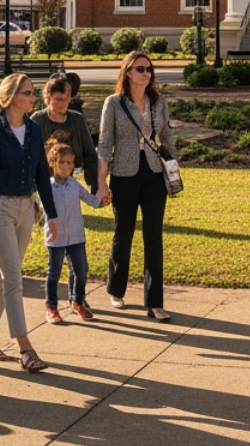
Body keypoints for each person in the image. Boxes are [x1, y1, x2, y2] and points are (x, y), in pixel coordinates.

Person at [0, 73, 60, 371]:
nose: (34, 98)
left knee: (7, 275)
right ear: (10, 97)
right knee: (13, 278)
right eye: (28, 93)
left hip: (26, 209)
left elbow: (41, 176)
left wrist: (52, 215)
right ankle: (25, 348)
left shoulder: (34, 130)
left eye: (33, 93)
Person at [97, 51, 177, 322]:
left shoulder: (159, 102)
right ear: (128, 72)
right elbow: (105, 143)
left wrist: (173, 174)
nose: (146, 74)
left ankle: (155, 303)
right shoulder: (114, 103)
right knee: (124, 233)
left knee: (153, 236)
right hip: (124, 173)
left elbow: (167, 139)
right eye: (141, 69)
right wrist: (101, 183)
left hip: (154, 173)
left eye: (149, 69)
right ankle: (116, 289)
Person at [44, 134, 103, 324]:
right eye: (62, 162)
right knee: (54, 272)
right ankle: (51, 307)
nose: (67, 166)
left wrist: (103, 201)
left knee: (81, 269)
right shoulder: (47, 187)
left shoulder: (74, 185)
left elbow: (90, 199)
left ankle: (77, 301)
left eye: (70, 163)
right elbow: (40, 209)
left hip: (76, 236)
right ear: (53, 163)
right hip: (56, 237)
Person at [34, 72, 98, 192]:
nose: (63, 103)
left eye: (67, 98)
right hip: (41, 182)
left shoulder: (77, 119)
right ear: (48, 98)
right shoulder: (37, 120)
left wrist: (95, 183)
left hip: (68, 182)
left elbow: (89, 153)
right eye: (58, 99)